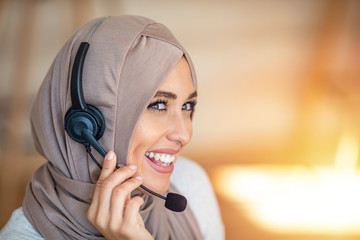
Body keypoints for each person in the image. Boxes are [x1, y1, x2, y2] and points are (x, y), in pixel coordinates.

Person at [0, 16, 224, 239]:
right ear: (85, 124)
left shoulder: (189, 184)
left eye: (187, 105)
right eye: (158, 105)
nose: (184, 134)